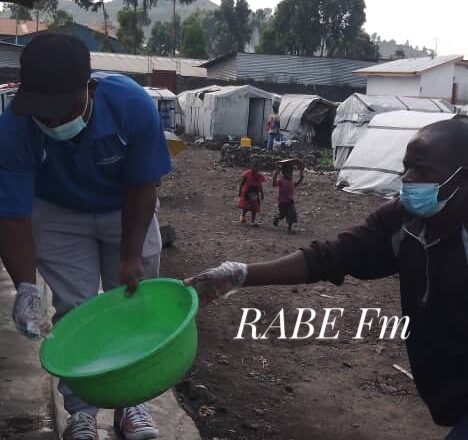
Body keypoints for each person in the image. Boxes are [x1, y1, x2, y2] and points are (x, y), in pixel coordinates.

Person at [185, 117, 468, 439]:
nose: (408, 179)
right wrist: (240, 274)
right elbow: (333, 255)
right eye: (406, 168)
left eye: (423, 171)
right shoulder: (405, 220)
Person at [0, 34, 171, 440]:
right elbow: (11, 215)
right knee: (76, 311)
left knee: (131, 305)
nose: (54, 122)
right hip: (58, 213)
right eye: (45, 112)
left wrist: (130, 255)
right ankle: (81, 413)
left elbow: (143, 185)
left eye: (62, 110)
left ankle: (132, 403)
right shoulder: (14, 128)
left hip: (125, 208)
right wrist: (25, 286)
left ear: (89, 87)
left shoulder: (130, 105)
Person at [273, 160, 304, 234]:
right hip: (282, 202)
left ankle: (289, 229)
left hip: (290, 201)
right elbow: (274, 184)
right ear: (284, 173)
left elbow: (295, 185)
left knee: (291, 214)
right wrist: (275, 175)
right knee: (282, 215)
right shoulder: (281, 181)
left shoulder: (291, 181)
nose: (290, 173)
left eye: (291, 172)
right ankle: (277, 218)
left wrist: (300, 179)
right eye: (288, 172)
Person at [237, 159, 265, 226]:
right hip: (247, 192)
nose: (255, 168)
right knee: (246, 206)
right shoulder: (247, 174)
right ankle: (243, 216)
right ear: (251, 166)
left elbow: (260, 185)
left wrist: (262, 193)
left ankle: (253, 221)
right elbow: (242, 183)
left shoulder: (259, 176)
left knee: (254, 207)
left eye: (257, 166)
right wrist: (240, 191)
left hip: (255, 193)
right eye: (254, 166)